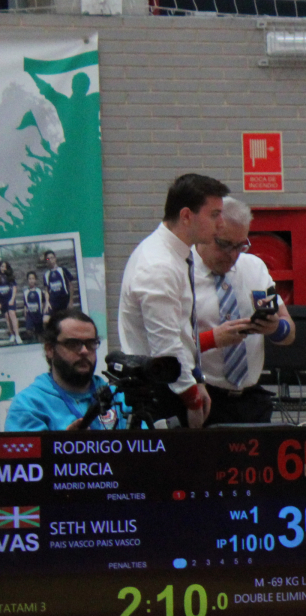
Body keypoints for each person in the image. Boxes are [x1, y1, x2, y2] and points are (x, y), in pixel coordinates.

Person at [119, 173, 229, 428]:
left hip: (173, 382)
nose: (221, 224)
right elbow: (165, 347)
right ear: (186, 216)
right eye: (214, 215)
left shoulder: (177, 253)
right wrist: (191, 398)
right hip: (161, 390)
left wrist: (197, 380)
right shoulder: (158, 265)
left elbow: (182, 332)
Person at [193, 197, 296, 425]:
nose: (233, 255)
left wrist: (275, 328)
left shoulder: (254, 267)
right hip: (204, 395)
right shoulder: (180, 273)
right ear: (204, 233)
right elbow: (168, 348)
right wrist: (213, 339)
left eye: (240, 246)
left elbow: (289, 331)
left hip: (251, 399)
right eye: (224, 244)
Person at [4, 308, 118, 431]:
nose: (84, 351)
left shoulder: (118, 396)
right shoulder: (28, 405)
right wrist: (64, 441)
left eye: (91, 343)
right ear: (49, 349)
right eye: (73, 344)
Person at [19, 271, 48, 341]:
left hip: (38, 314)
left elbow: (43, 302)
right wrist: (25, 314)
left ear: (35, 280)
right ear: (27, 280)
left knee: (40, 332)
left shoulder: (39, 291)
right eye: (30, 279)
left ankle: (38, 339)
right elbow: (25, 305)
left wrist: (44, 311)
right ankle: (32, 339)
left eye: (33, 278)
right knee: (29, 330)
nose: (31, 280)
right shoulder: (26, 292)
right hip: (30, 315)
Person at [1, 261, 22, 343]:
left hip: (10, 299)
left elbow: (14, 288)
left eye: (4, 266)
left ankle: (17, 335)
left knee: (12, 314)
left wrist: (12, 299)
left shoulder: (9, 277)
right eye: (1, 266)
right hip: (2, 300)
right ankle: (12, 334)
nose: (3, 268)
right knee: (7, 316)